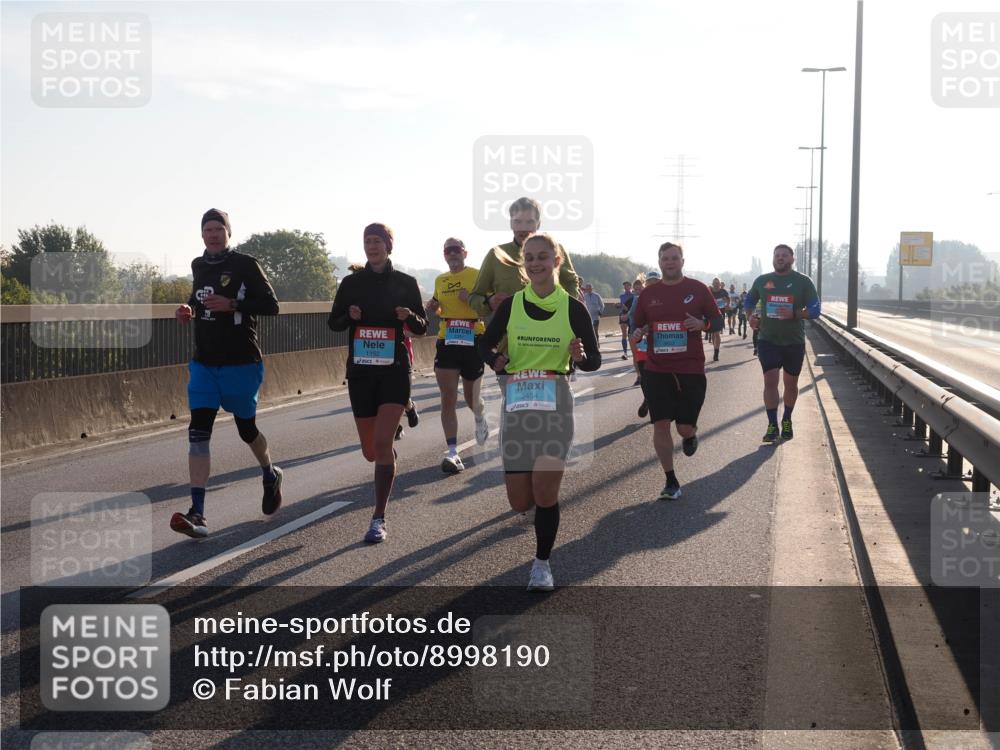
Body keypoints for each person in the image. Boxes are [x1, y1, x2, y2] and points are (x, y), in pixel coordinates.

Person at [477, 232, 601, 591]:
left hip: (555, 405)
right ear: (523, 264)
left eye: (542, 257)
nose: (535, 263)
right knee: (520, 501)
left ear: (556, 261)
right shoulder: (511, 305)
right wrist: (495, 360)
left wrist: (580, 357)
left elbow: (593, 360)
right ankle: (536, 510)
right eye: (529, 258)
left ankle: (542, 565)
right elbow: (484, 344)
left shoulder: (573, 308)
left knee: (546, 495)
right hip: (517, 408)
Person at [170, 208, 282, 539]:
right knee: (198, 431)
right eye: (208, 230)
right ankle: (198, 512)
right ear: (201, 234)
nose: (213, 235)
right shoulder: (198, 265)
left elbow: (271, 305)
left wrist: (233, 305)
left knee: (247, 429)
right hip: (204, 363)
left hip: (241, 362)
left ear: (228, 233)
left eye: (219, 229)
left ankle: (270, 473)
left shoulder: (246, 264)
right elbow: (198, 299)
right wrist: (187, 310)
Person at [328, 223, 428, 543]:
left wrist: (409, 316)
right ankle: (387, 455)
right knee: (372, 452)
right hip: (361, 372)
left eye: (377, 241)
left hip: (394, 370)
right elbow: (334, 323)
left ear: (388, 246)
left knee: (382, 443)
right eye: (367, 241)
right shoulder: (351, 283)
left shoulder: (405, 283)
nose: (372, 246)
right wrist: (350, 316)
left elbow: (423, 327)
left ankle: (378, 518)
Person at [632, 243, 722, 499]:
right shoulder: (649, 294)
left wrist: (702, 324)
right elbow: (637, 323)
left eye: (674, 258)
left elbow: (717, 320)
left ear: (682, 261)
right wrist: (638, 331)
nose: (670, 262)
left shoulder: (698, 289)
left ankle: (690, 434)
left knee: (683, 428)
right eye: (665, 259)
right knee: (660, 424)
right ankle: (670, 481)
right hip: (656, 368)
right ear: (659, 262)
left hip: (690, 366)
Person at [425, 237, 490, 474]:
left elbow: (489, 307)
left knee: (472, 398)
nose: (452, 254)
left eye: (456, 250)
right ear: (444, 255)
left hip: (473, 338)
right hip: (448, 339)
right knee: (448, 397)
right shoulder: (440, 280)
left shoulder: (477, 276)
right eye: (448, 251)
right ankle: (453, 452)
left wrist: (470, 299)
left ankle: (480, 417)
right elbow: (440, 307)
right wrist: (434, 308)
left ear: (464, 253)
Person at [746, 244, 821, 443]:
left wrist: (794, 314)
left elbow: (815, 310)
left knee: (791, 384)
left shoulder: (803, 281)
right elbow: (749, 301)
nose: (780, 258)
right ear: (773, 259)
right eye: (777, 255)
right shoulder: (762, 281)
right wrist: (750, 317)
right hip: (768, 340)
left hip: (793, 342)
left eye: (784, 255)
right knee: (770, 381)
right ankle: (772, 425)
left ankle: (787, 419)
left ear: (792, 259)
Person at [469, 197, 580, 321]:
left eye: (529, 222)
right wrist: (489, 302)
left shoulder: (555, 249)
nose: (523, 228)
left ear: (538, 224)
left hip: (552, 329)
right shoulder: (496, 254)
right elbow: (474, 297)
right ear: (511, 224)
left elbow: (571, 282)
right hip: (509, 330)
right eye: (517, 222)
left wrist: (567, 309)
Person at [709, 278, 729, 361]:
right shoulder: (709, 291)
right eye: (715, 283)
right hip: (710, 314)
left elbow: (728, 301)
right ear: (712, 283)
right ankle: (715, 347)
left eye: (718, 283)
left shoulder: (723, 292)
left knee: (716, 333)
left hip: (720, 314)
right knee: (713, 333)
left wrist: (726, 303)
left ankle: (716, 352)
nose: (716, 284)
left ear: (720, 284)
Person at [618, 281, 634, 360]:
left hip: (631, 314)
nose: (625, 287)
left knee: (631, 334)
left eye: (627, 286)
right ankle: (625, 353)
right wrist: (618, 306)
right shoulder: (621, 296)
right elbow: (621, 305)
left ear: (630, 286)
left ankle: (634, 351)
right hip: (623, 314)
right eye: (624, 286)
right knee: (624, 333)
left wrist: (627, 309)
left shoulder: (633, 295)